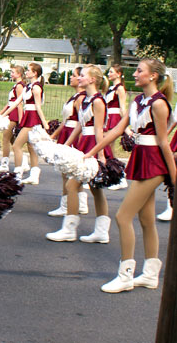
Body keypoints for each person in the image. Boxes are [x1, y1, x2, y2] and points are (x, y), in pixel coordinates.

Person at [84, 58, 175, 293]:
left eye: (139, 70)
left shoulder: (159, 104)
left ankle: (125, 275)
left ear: (153, 75)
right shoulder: (138, 101)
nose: (135, 74)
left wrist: (174, 178)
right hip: (140, 159)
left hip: (154, 163)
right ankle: (150, 275)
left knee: (123, 216)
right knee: (146, 220)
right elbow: (114, 130)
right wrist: (92, 152)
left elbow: (165, 143)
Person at [46, 65, 111, 243]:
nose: (79, 78)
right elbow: (79, 126)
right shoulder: (85, 100)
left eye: (82, 75)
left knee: (73, 186)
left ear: (92, 80)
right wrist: (65, 146)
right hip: (84, 144)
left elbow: (99, 130)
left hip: (93, 146)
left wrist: (100, 155)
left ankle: (70, 229)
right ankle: (101, 232)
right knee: (95, 190)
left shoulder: (98, 101)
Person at [47, 67, 89, 217]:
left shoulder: (81, 98)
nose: (70, 78)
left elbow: (80, 122)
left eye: (74, 75)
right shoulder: (75, 96)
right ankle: (80, 203)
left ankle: (67, 205)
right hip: (67, 132)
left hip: (74, 134)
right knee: (67, 171)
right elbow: (65, 121)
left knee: (67, 170)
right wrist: (53, 136)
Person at [2, 63, 49, 184]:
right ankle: (34, 175)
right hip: (28, 116)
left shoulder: (36, 87)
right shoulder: (28, 86)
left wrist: (44, 122)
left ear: (35, 73)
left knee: (17, 145)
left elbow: (38, 106)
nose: (26, 72)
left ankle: (18, 175)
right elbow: (16, 103)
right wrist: (2, 115)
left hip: (32, 118)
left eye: (28, 70)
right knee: (31, 147)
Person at [0, 65, 25, 173]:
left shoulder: (19, 86)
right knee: (12, 139)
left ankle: (4, 163)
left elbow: (19, 104)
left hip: (14, 114)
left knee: (5, 137)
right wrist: (0, 113)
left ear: (19, 74)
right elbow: (9, 102)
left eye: (13, 72)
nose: (11, 74)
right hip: (10, 110)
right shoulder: (15, 85)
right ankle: (24, 161)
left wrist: (21, 120)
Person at [105, 65, 129, 190]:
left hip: (114, 119)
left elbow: (122, 108)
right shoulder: (111, 88)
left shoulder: (120, 89)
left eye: (111, 72)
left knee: (109, 148)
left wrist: (125, 126)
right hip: (108, 118)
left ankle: (121, 177)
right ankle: (115, 175)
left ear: (119, 74)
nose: (109, 74)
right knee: (108, 148)